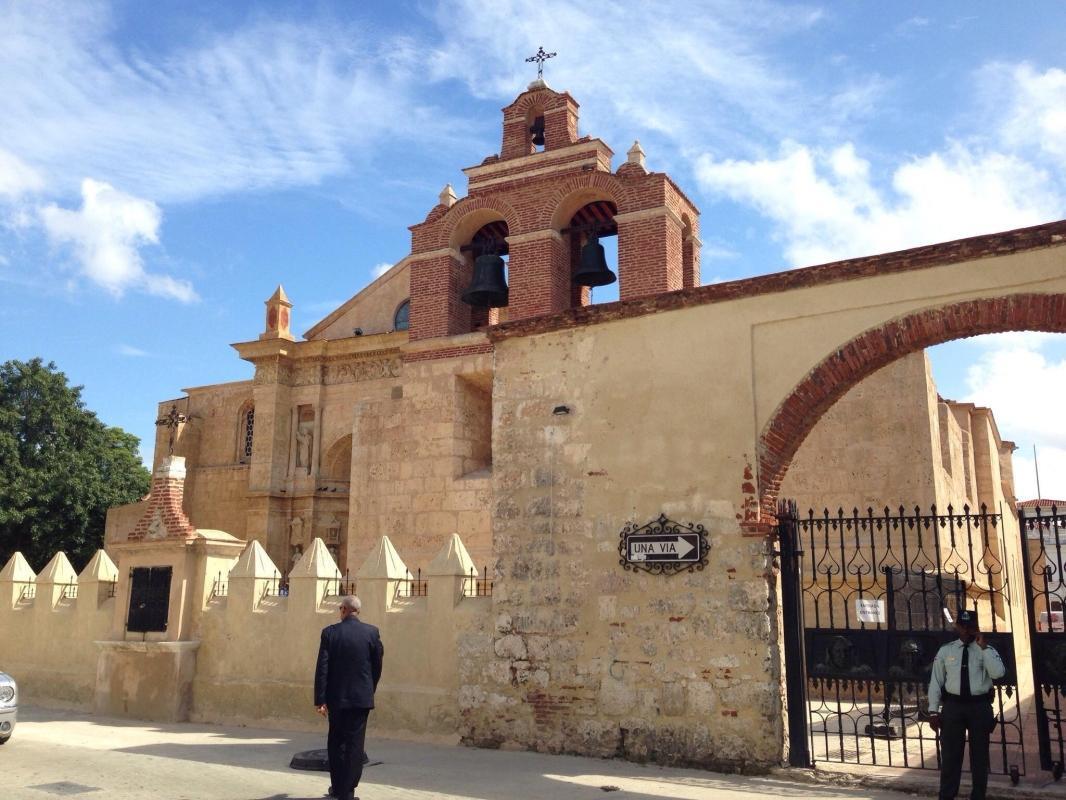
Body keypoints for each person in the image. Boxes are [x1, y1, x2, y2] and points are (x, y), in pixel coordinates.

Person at [927, 609, 1006, 800]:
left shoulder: (986, 650)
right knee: (951, 757)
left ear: (976, 627)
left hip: (979, 707)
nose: (966, 630)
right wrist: (932, 711)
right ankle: (946, 796)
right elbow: (936, 681)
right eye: (963, 626)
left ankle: (978, 796)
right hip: (953, 708)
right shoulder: (946, 650)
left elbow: (998, 674)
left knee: (979, 758)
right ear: (957, 627)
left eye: (970, 626)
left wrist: (984, 648)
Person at [315, 595, 384, 800]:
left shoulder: (330, 633)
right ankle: (349, 789)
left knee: (336, 743)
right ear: (358, 611)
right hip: (361, 698)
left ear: (343, 609)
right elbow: (377, 666)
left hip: (336, 699)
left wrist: (320, 699)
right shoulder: (372, 633)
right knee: (355, 744)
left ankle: (339, 788)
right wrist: (369, 689)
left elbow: (322, 668)